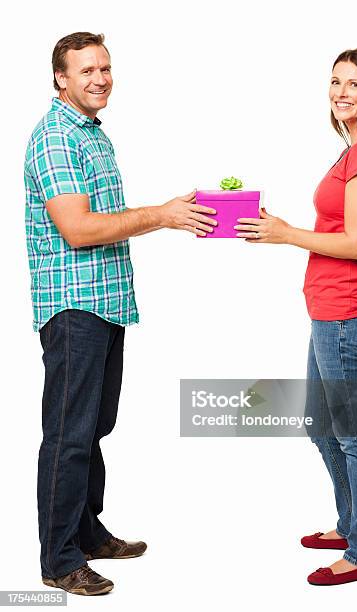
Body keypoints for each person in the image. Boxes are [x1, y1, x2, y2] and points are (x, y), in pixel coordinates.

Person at [24, 31, 217, 596]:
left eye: (105, 68)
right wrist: (162, 215)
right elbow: (78, 230)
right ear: (61, 78)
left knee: (94, 426)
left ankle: (85, 533)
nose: (100, 78)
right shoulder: (56, 138)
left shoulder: (93, 135)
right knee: (68, 434)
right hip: (74, 306)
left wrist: (173, 211)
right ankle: (59, 560)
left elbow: (107, 218)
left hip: (106, 305)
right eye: (87, 70)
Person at [235, 48, 357, 586]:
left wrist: (284, 233)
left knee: (355, 437)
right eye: (335, 82)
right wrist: (276, 224)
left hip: (348, 315)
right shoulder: (353, 150)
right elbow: (339, 226)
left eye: (354, 84)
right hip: (331, 312)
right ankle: (351, 524)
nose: (341, 92)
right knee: (321, 424)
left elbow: (356, 244)